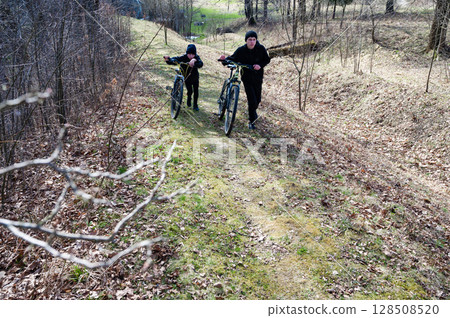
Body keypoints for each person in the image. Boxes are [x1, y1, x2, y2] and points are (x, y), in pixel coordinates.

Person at [219, 30, 271, 129]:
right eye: (250, 39)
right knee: (252, 100)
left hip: (258, 77)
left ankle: (253, 112)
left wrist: (260, 65)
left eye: (254, 39)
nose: (252, 42)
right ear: (246, 40)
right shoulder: (241, 50)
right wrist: (223, 60)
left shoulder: (261, 49)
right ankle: (251, 121)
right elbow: (232, 59)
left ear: (256, 40)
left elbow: (267, 59)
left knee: (257, 100)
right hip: (246, 78)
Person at [164, 44, 203, 111]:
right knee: (190, 91)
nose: (191, 56)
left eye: (192, 54)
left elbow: (201, 64)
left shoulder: (196, 58)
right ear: (187, 53)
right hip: (187, 78)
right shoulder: (184, 57)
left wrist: (194, 61)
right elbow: (175, 59)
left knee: (196, 91)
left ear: (195, 54)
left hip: (195, 77)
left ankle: (195, 105)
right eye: (189, 54)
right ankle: (189, 98)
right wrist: (169, 59)